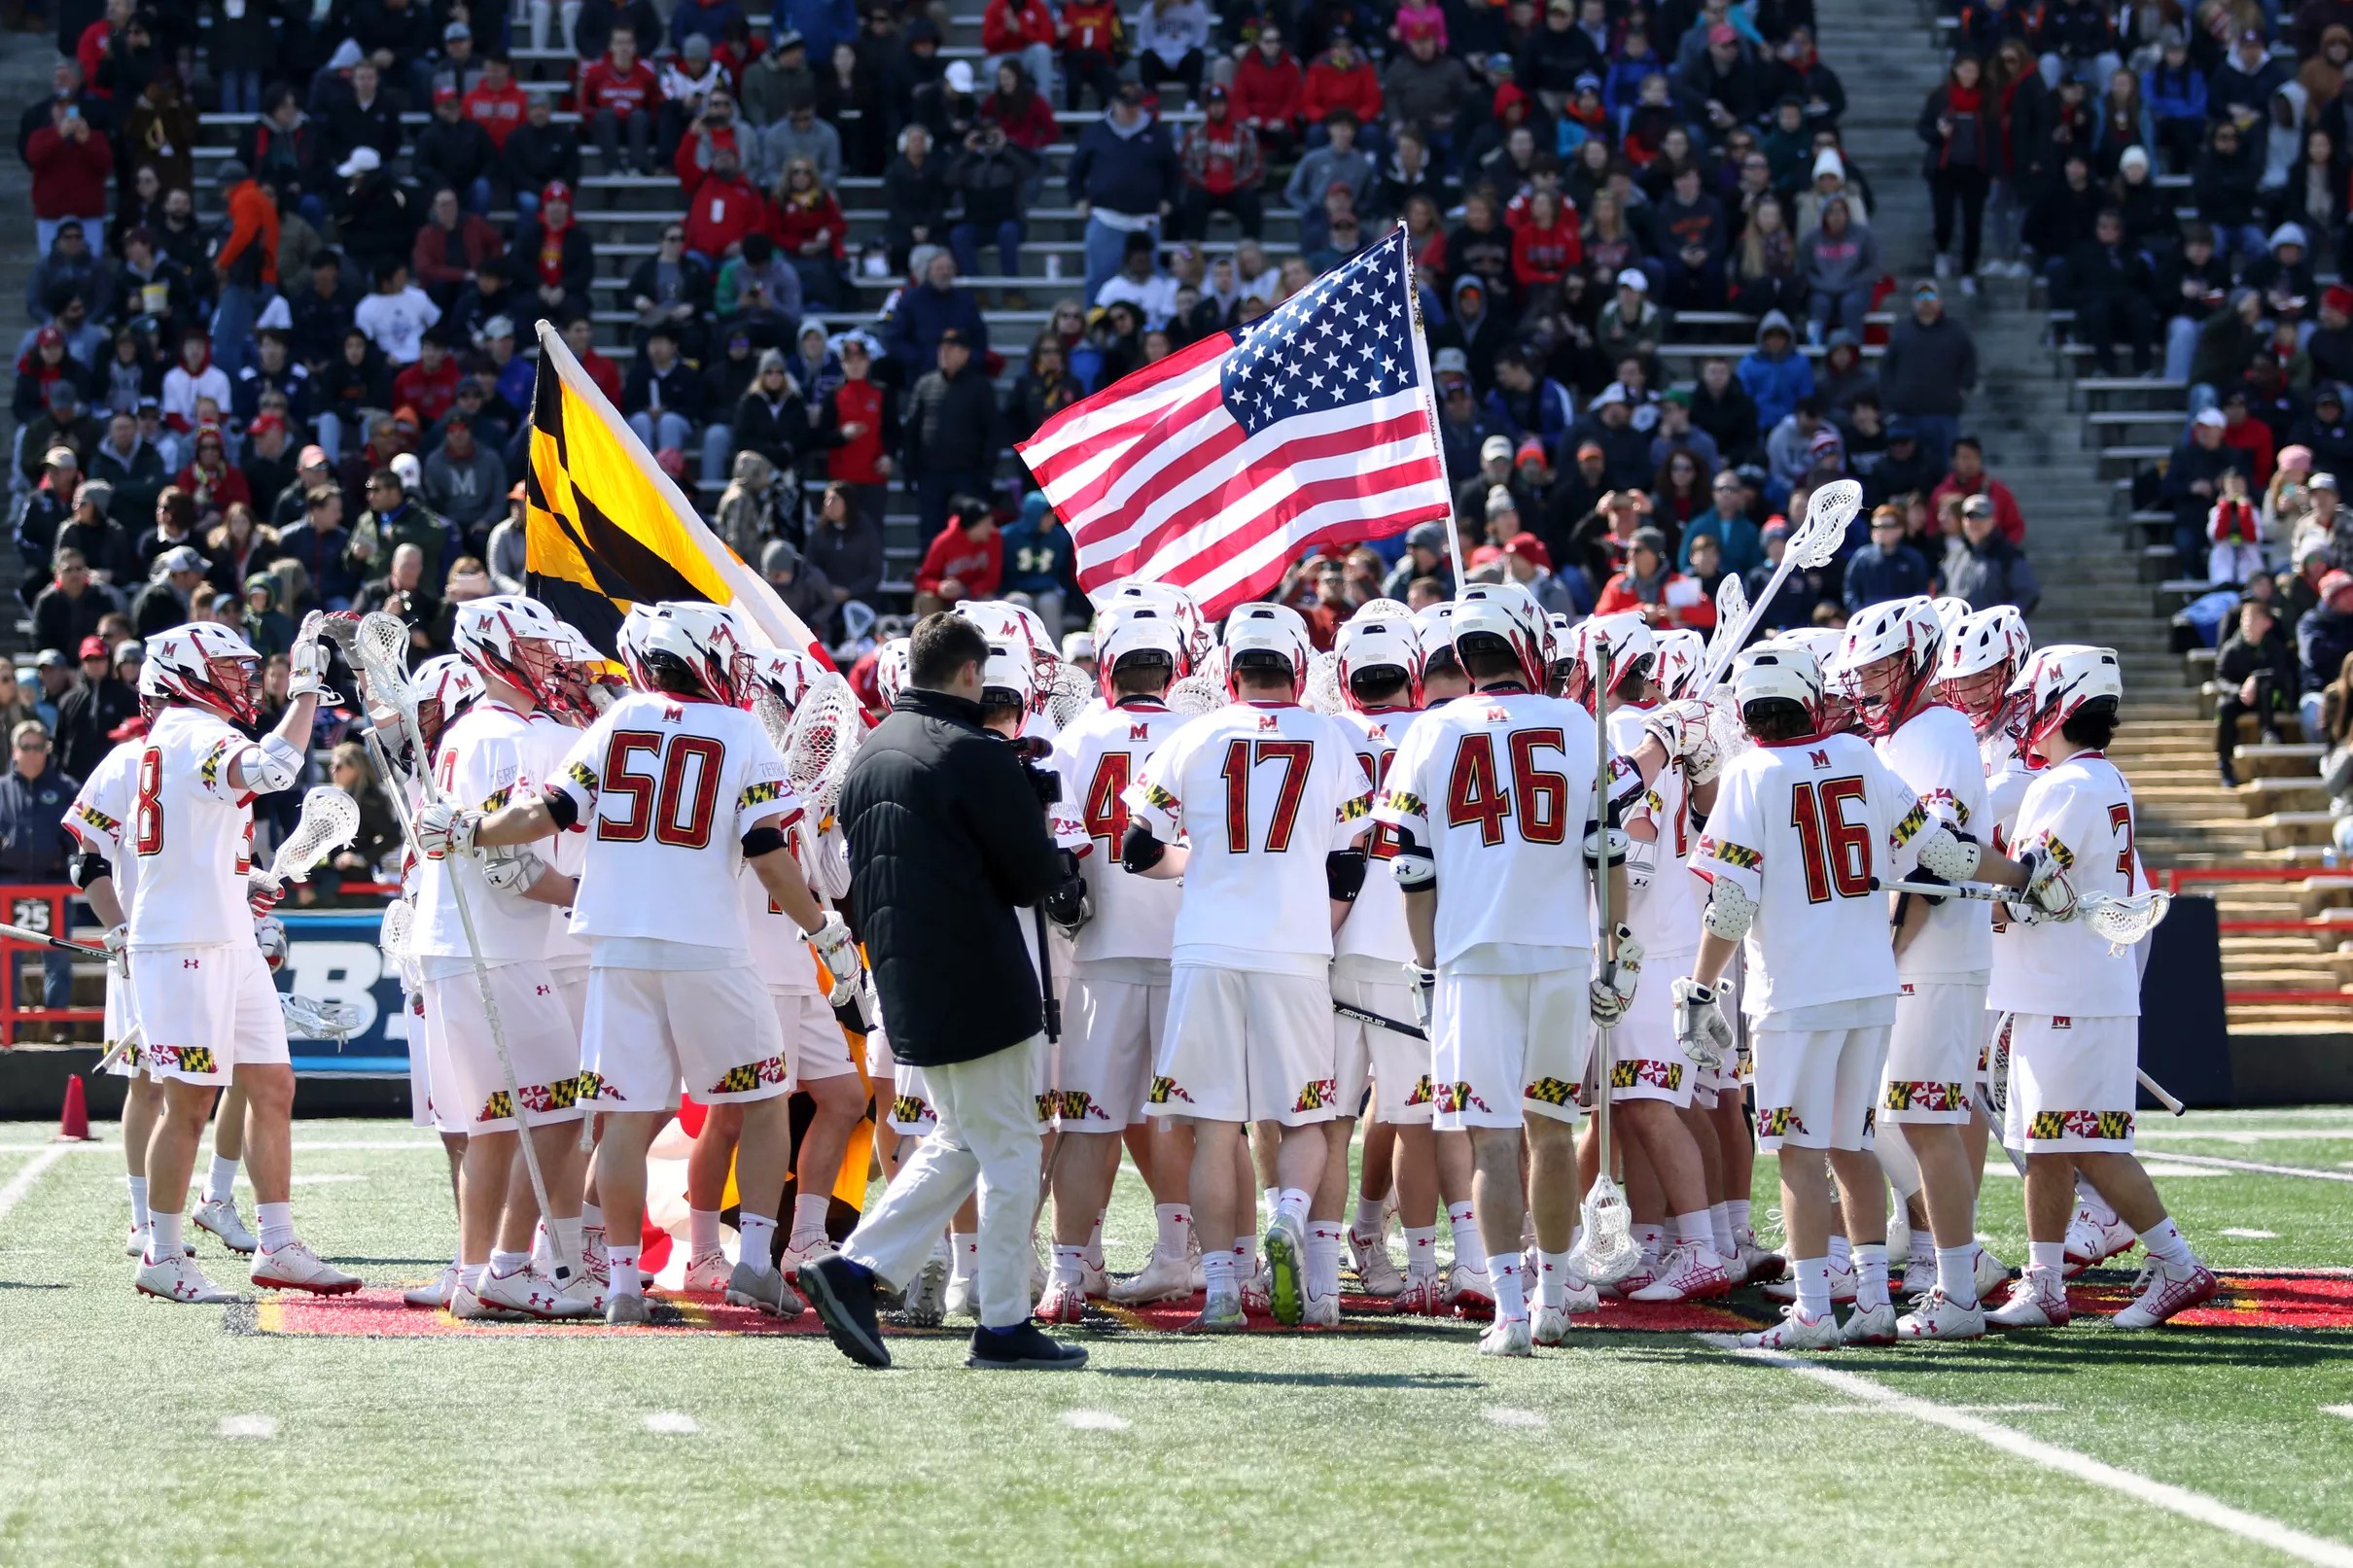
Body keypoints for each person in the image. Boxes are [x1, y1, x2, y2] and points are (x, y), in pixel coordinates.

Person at [419, 602, 859, 1326]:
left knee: (622, 1115)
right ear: (708, 656)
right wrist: (824, 930)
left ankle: (621, 1285)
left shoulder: (617, 721)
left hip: (615, 944)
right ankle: (752, 1261)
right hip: (704, 943)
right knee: (764, 1097)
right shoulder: (740, 728)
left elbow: (543, 814)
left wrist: (468, 827)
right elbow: (769, 856)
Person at [1670, 640, 2044, 1350]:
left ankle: (1815, 1308)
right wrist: (2022, 875)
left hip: (1795, 994)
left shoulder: (1751, 775)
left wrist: (1699, 984)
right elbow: (1944, 852)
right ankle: (1871, 1297)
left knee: (1797, 1153)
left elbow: (1731, 902)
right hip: (1871, 983)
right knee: (1851, 1142)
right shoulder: (1861, 757)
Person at [797, 611, 1080, 1371]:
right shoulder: (974, 753)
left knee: (961, 1137)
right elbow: (1032, 875)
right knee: (1012, 1145)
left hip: (904, 971)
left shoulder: (869, 755)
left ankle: (855, 1269)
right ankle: (1002, 1322)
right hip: (975, 973)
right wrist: (1034, 817)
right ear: (967, 673)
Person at [1375, 584, 1640, 1354]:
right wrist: (1615, 949)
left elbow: (1411, 869)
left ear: (1462, 653)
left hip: (1471, 958)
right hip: (1560, 953)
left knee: (1492, 1142)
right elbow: (1610, 849)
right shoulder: (1576, 723)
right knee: (1552, 1131)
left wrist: (1426, 965)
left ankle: (1511, 1313)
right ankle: (1555, 1297)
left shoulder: (1432, 730)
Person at [1120, 602, 1371, 1332]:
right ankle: (1288, 1215)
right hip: (1293, 947)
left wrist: (1196, 862)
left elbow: (1137, 847)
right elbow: (1350, 860)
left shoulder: (1195, 734)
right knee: (1305, 1114)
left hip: (1207, 943)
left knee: (1214, 1124)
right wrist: (1306, 926)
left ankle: (1224, 1290)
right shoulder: (1327, 734)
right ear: (1297, 662)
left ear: (1228, 667)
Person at [1984, 647, 2217, 1332]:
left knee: (2086, 1142)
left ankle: (2178, 1263)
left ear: (2063, 702)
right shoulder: (2096, 778)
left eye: (2035, 699)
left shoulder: (2069, 786)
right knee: (2049, 1142)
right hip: (2065, 986)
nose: (2025, 712)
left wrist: (1964, 900)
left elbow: (2032, 889)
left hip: (2070, 990)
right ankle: (2046, 1283)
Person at [128, 619, 356, 1304]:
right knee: (191, 1101)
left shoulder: (185, 735)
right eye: (229, 668)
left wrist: (244, 879)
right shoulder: (195, 731)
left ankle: (277, 1239)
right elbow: (276, 767)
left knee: (273, 1084)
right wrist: (310, 689)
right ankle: (163, 1252)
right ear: (185, 673)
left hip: (224, 930)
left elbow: (200, 831)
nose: (244, 681)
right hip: (187, 941)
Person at [1829, 599, 2008, 1340]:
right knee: (1912, 1115)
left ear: (1915, 659)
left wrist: (1886, 949)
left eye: (1879, 665)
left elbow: (1930, 869)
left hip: (1932, 950)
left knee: (1919, 1116)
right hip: (1924, 950)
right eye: (1862, 667)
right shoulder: (1910, 732)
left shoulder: (1933, 732)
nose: (1867, 681)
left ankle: (1961, 1284)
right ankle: (1953, 1266)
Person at [1036, 601, 1194, 1319]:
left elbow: (1056, 850)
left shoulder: (1078, 736)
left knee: (1089, 1120)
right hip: (1191, 947)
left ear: (1108, 666)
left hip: (1100, 951)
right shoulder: (1199, 732)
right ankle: (1191, 1256)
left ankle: (1069, 1273)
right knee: (1195, 1119)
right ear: (1172, 665)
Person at [0, 719, 79, 1026]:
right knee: (7, 959)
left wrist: (70, 856)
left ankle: (59, 1022)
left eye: (38, 747)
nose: (32, 754)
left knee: (57, 959)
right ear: (14, 750)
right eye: (26, 747)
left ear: (47, 750)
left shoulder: (67, 788)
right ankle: (9, 1024)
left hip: (54, 884)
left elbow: (79, 835)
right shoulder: (2, 790)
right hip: (9, 885)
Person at [1879, 281, 1977, 473]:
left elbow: (1970, 362)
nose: (1926, 302)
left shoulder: (1955, 330)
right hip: (1907, 414)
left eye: (1931, 297)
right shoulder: (1901, 331)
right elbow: (1886, 367)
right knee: (1907, 470)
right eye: (1921, 298)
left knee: (1945, 467)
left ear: (1940, 301)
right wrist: (1890, 401)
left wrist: (1964, 389)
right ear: (1914, 303)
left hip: (1944, 414)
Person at [2215, 595, 2292, 786]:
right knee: (2225, 707)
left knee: (2266, 688)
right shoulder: (2231, 648)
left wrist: (2256, 679)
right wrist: (2239, 690)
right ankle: (2225, 762)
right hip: (2240, 698)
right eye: (2245, 619)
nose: (2247, 625)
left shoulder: (2274, 646)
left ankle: (2269, 733)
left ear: (2267, 623)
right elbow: (2220, 678)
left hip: (2268, 699)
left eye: (2253, 620)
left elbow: (2282, 673)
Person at [1843, 506, 1933, 612]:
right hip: (1870, 620)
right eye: (1875, 526)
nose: (1879, 531)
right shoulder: (1862, 557)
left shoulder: (1913, 558)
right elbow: (1850, 591)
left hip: (1903, 620)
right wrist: (1859, 612)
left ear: (1900, 529)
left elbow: (1921, 592)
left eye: (1885, 526)